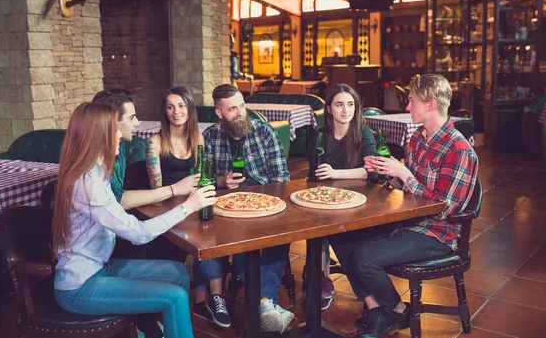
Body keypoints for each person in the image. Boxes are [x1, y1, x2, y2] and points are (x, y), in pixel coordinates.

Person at [330, 74, 478, 338]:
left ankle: (398, 312)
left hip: (438, 234)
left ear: (431, 104)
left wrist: (405, 173)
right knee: (341, 236)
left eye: (411, 101)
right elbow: (407, 189)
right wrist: (390, 174)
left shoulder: (459, 150)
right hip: (407, 222)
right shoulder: (419, 138)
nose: (407, 107)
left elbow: (445, 209)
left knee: (364, 258)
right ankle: (390, 310)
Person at [52, 102, 217, 338]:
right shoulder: (87, 184)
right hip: (80, 287)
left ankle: (157, 330)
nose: (120, 134)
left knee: (178, 272)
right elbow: (139, 234)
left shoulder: (98, 172)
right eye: (114, 129)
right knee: (175, 298)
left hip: (101, 268)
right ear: (98, 136)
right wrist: (188, 206)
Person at [203, 84, 293, 334]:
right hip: (229, 207)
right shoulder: (211, 135)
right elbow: (204, 179)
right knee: (239, 240)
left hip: (266, 202)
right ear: (220, 114)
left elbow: (281, 178)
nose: (241, 112)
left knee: (280, 238)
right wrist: (222, 181)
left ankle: (262, 300)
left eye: (242, 105)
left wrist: (267, 204)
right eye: (233, 109)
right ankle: (266, 304)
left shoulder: (264, 132)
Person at [145, 86, 230, 329]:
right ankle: (165, 308)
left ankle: (214, 297)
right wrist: (183, 194)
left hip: (192, 204)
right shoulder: (155, 142)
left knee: (213, 232)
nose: (176, 111)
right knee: (195, 236)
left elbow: (204, 176)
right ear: (165, 111)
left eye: (181, 105)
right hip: (165, 207)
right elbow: (156, 191)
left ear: (189, 109)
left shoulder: (198, 140)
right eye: (170, 106)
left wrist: (220, 182)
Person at [306, 83, 379, 311]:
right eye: (339, 105)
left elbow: (372, 171)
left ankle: (323, 280)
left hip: (360, 203)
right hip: (327, 201)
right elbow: (314, 176)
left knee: (339, 235)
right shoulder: (319, 137)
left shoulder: (363, 133)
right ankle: (321, 277)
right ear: (329, 109)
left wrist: (335, 173)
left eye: (350, 104)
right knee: (317, 226)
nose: (346, 110)